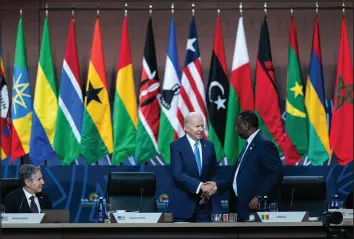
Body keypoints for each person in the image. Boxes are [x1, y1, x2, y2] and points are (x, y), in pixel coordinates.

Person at [230, 111, 283, 221]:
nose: (236, 129)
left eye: (237, 126)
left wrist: (260, 197)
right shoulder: (250, 143)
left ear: (246, 126)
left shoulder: (263, 144)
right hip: (242, 206)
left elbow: (276, 172)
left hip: (256, 208)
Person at [169, 112, 219, 222]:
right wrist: (200, 186)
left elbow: (214, 171)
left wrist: (211, 186)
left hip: (204, 206)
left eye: (202, 126)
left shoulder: (209, 146)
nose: (201, 129)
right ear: (187, 128)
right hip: (183, 206)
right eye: (197, 126)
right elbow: (178, 174)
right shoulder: (176, 146)